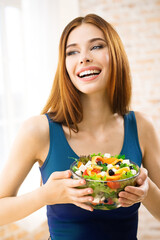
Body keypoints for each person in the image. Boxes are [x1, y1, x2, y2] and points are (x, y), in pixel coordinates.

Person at [0, 13, 160, 240]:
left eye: (96, 46)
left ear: (115, 55)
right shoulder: (38, 130)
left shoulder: (142, 127)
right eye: (72, 51)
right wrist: (45, 195)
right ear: (64, 66)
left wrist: (147, 190)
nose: (83, 58)